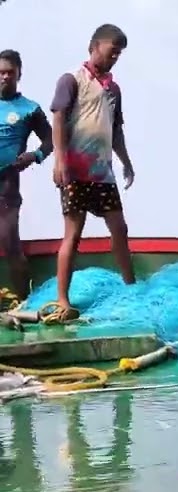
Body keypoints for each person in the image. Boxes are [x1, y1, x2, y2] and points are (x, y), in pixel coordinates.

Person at [49, 23, 135, 321]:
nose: (115, 58)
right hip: (74, 171)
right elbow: (58, 121)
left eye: (119, 54)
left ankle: (130, 286)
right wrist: (60, 161)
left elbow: (116, 129)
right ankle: (62, 298)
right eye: (112, 51)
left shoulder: (114, 89)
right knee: (73, 235)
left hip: (103, 172)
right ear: (94, 46)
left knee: (120, 228)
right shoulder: (71, 80)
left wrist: (126, 161)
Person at [0, 49, 53, 300]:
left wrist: (35, 156)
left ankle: (24, 301)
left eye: (10, 72)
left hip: (7, 185)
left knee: (10, 243)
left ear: (19, 74)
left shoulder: (30, 109)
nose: (5, 77)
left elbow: (52, 140)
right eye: (0, 72)